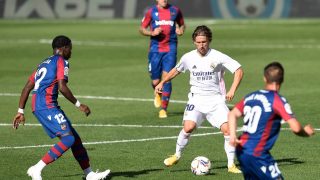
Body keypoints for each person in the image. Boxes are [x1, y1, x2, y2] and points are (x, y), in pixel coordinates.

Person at [12, 35, 110, 180]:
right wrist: (79, 104)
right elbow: (62, 87)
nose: (71, 52)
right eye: (70, 48)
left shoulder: (44, 63)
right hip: (46, 106)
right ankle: (36, 168)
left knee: (75, 139)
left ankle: (89, 174)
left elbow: (27, 87)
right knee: (68, 139)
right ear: (63, 48)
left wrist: (20, 111)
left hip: (42, 105)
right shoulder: (61, 61)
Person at [155, 25, 243, 173]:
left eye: (204, 42)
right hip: (196, 101)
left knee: (228, 130)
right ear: (194, 42)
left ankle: (230, 165)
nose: (201, 45)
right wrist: (162, 82)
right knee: (188, 127)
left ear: (209, 41)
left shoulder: (218, 56)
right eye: (198, 42)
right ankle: (176, 155)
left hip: (215, 100)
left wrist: (232, 89)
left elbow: (238, 70)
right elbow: (176, 70)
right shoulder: (188, 57)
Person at [228, 62, 315, 179]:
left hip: (241, 150)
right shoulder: (277, 100)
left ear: (265, 78)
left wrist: (233, 135)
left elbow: (232, 114)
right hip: (258, 154)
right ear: (282, 80)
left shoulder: (251, 96)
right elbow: (296, 128)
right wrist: (306, 132)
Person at [139, 0, 185, 118]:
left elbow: (182, 24)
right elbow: (142, 29)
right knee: (155, 81)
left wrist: (181, 30)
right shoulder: (151, 12)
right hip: (155, 50)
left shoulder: (175, 11)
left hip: (170, 49)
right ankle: (158, 93)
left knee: (167, 78)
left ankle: (164, 109)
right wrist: (152, 33)